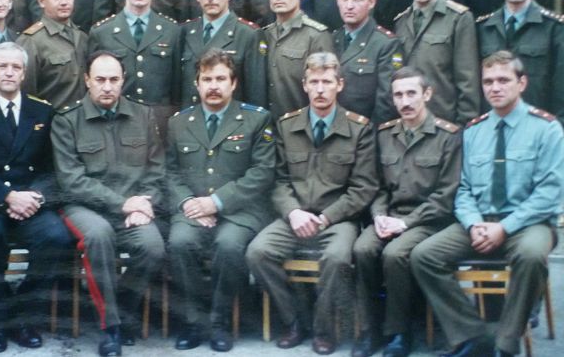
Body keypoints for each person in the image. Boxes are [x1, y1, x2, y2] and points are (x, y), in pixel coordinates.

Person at [411, 51, 564, 357]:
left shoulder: (546, 129)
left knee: (532, 255)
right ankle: (471, 335)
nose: (495, 87)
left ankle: (505, 344)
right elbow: (463, 188)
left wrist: (504, 228)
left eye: (503, 80)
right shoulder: (473, 131)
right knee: (424, 255)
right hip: (480, 221)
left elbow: (549, 193)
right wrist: (473, 224)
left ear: (522, 83)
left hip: (528, 224)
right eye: (488, 81)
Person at [246, 52, 377, 356]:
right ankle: (295, 321)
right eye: (314, 82)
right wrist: (293, 212)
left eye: (327, 82)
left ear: (339, 85)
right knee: (258, 252)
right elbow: (278, 180)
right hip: (295, 217)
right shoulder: (287, 125)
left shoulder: (359, 128)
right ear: (304, 85)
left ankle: (323, 329)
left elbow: (363, 188)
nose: (320, 89)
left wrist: (327, 218)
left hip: (338, 219)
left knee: (337, 258)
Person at [0, 42, 73, 353]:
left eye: (16, 67)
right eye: (3, 66)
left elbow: (52, 169)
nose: (9, 72)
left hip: (31, 202)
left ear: (24, 74)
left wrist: (35, 198)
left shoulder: (42, 111)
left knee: (57, 237)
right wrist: (7, 196)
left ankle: (23, 315)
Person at [51, 51, 166, 357]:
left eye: (114, 80)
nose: (107, 87)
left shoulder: (143, 116)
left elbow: (156, 171)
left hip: (134, 207)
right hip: (84, 207)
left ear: (123, 81)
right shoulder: (67, 120)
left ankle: (120, 310)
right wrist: (124, 204)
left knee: (153, 247)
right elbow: (72, 181)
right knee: (99, 236)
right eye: (100, 79)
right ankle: (110, 328)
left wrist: (145, 204)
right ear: (86, 80)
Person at [167, 50, 275, 352]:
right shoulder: (179, 123)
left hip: (240, 211)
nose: (213, 86)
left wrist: (216, 202)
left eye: (220, 79)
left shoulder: (257, 119)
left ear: (234, 83)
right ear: (197, 83)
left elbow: (263, 173)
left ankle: (219, 323)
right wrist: (189, 203)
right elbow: (170, 172)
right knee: (179, 243)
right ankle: (194, 322)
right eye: (207, 79)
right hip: (192, 209)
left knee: (228, 246)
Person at [351, 67, 460, 357]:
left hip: (429, 220)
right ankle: (370, 329)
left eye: (412, 93)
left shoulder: (448, 136)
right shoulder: (385, 134)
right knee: (362, 248)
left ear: (427, 94)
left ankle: (399, 332)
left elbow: (445, 196)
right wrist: (379, 217)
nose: (405, 101)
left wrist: (405, 223)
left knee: (395, 254)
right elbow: (377, 187)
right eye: (398, 95)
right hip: (389, 216)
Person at [89, 0, 181, 131]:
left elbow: (177, 88)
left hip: (159, 123)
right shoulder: (101, 32)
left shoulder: (172, 31)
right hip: (116, 122)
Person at [476, 0, 564, 124]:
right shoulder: (482, 28)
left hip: (538, 126)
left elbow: (561, 88)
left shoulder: (554, 28)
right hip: (492, 124)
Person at [394, 0, 479, 125]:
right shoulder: (401, 22)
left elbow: (467, 79)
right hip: (408, 120)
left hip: (445, 122)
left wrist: (465, 125)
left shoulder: (458, 18)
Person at [180, 0, 267, 108]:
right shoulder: (185, 31)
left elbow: (256, 94)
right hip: (191, 118)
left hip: (232, 119)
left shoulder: (248, 34)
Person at [262, 0, 332, 119]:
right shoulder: (264, 35)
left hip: (301, 126)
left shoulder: (316, 36)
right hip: (267, 126)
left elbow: (325, 90)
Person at [333, 0, 403, 124]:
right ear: (337, 0)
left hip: (367, 131)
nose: (349, 5)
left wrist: (369, 134)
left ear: (371, 2)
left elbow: (387, 101)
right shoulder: (332, 39)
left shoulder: (387, 44)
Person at [16, 0, 87, 109]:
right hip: (51, 119)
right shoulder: (31, 41)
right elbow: (25, 95)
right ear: (41, 1)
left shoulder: (82, 37)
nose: (64, 2)